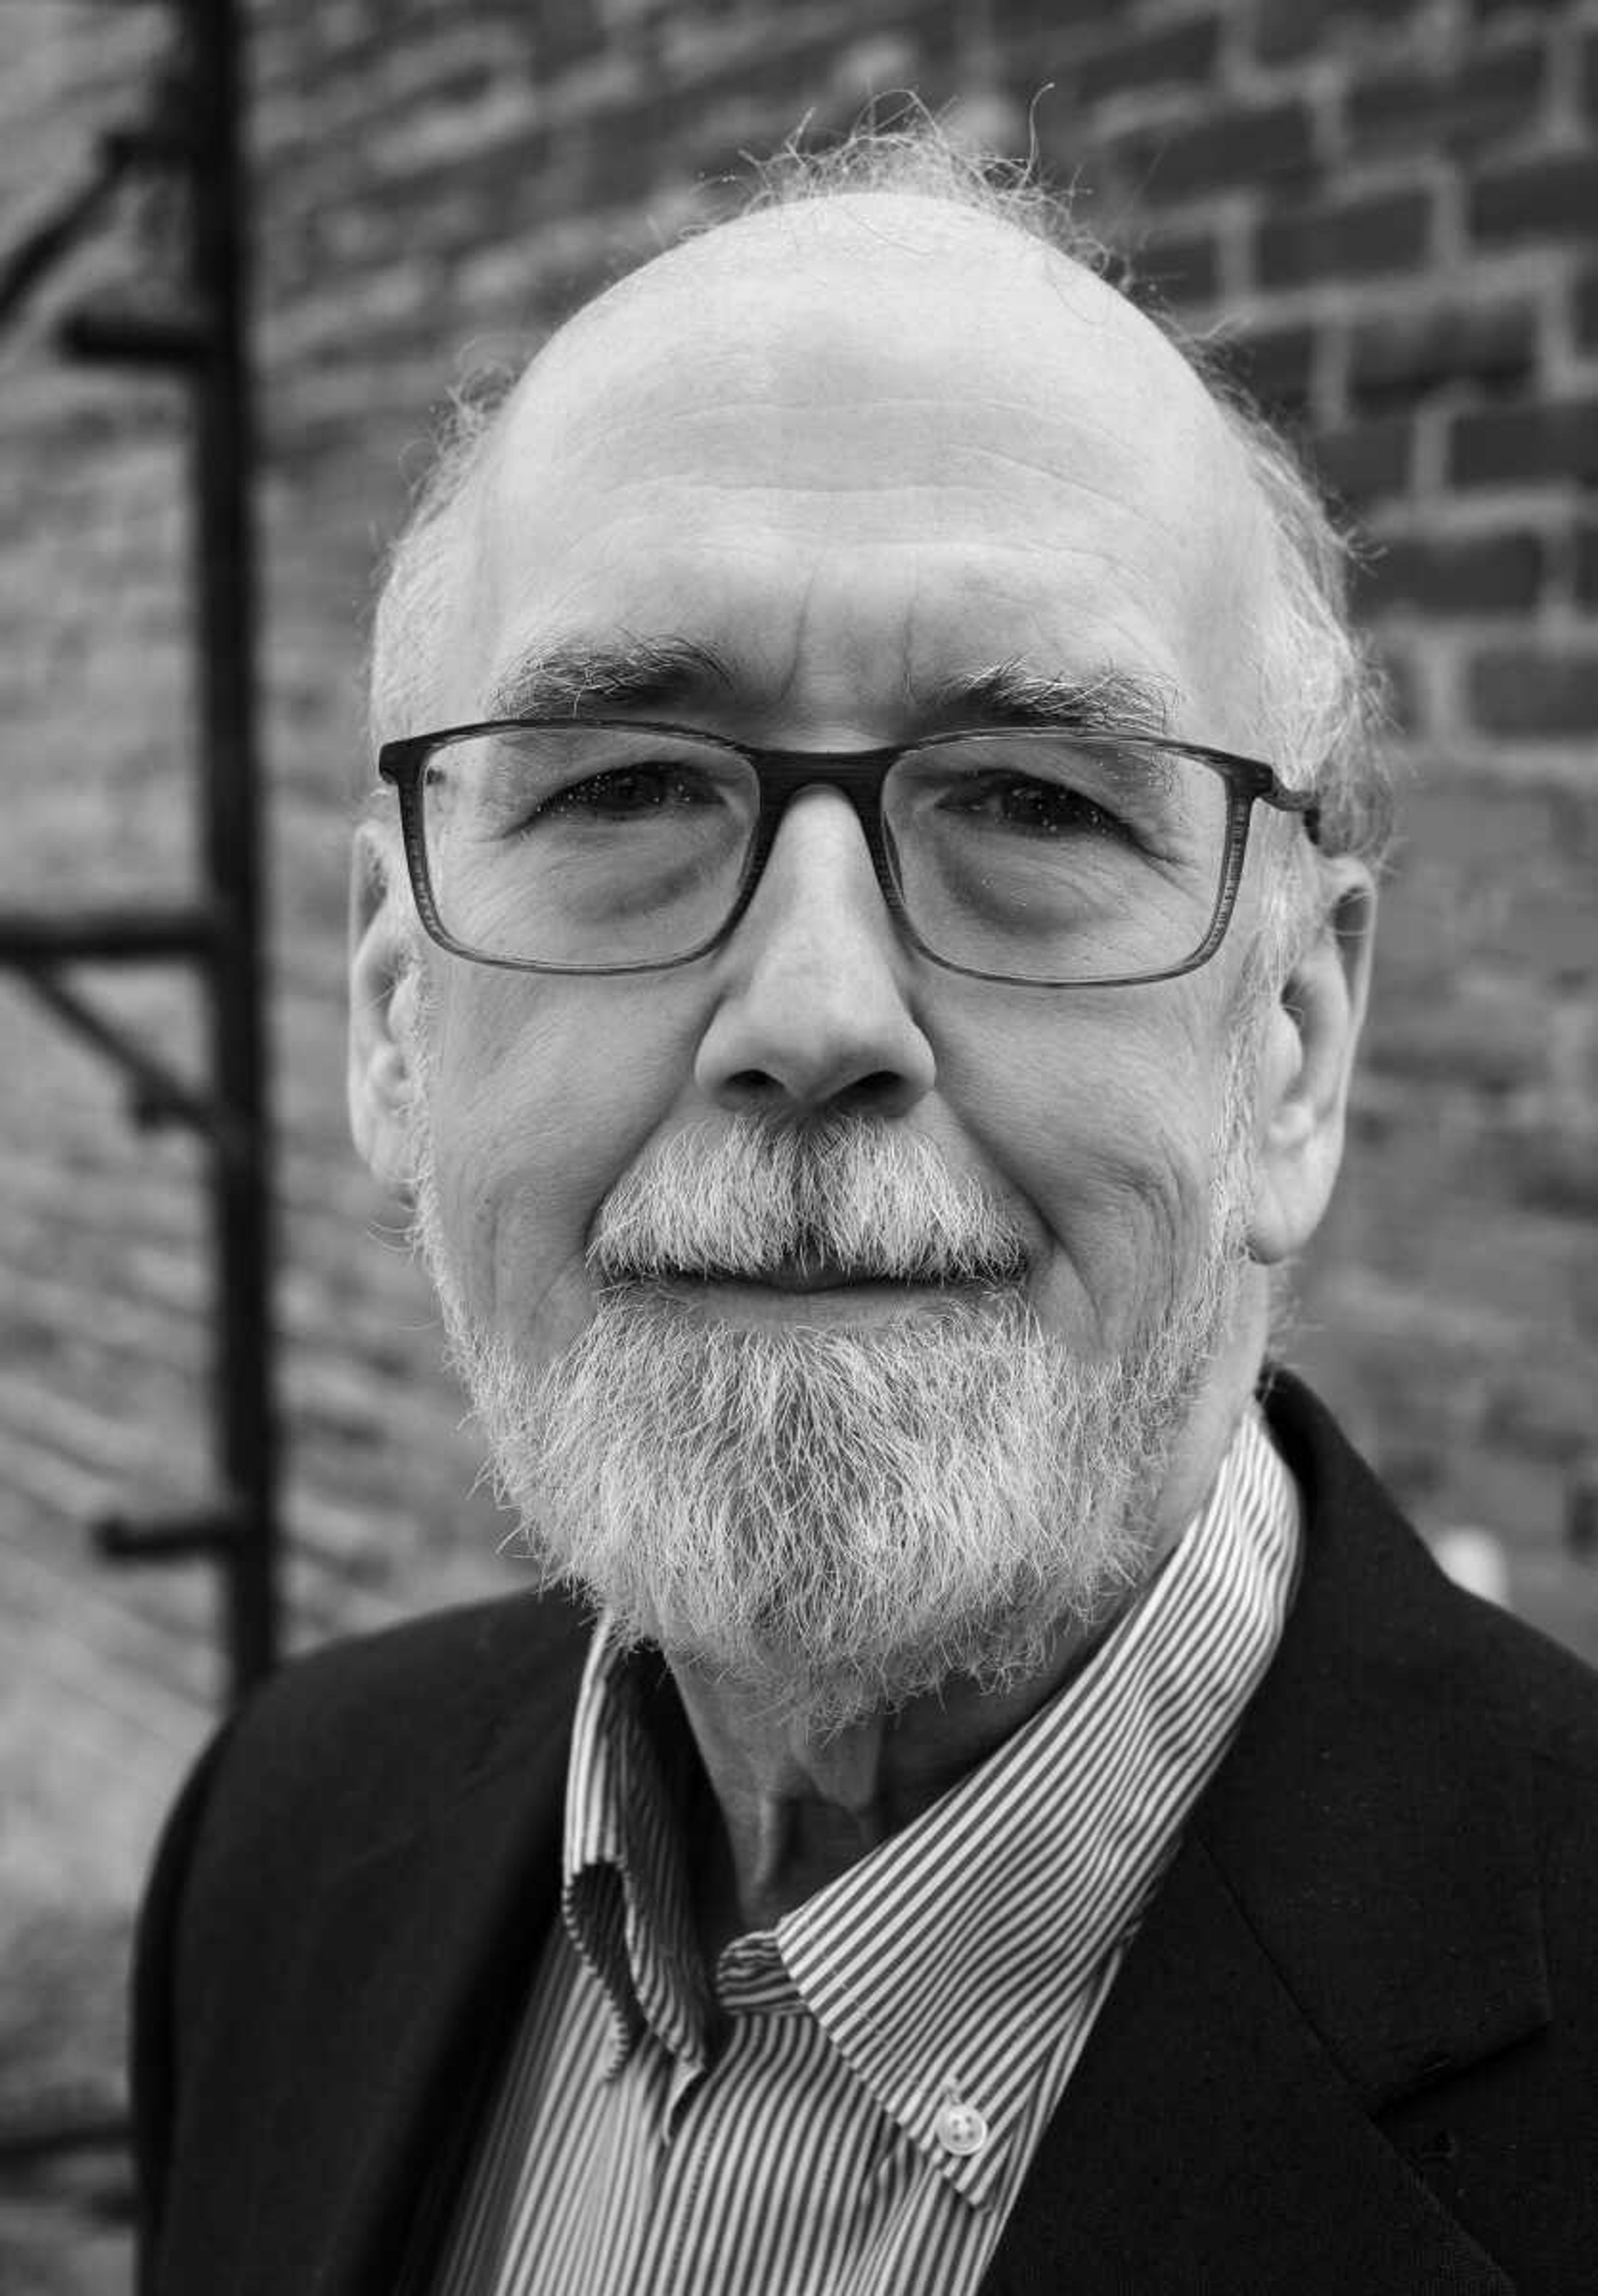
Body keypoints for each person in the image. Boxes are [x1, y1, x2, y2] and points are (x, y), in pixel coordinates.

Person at [130, 124, 1598, 2295]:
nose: (814, 1012)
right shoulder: (278, 1844)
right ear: (390, 1016)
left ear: (1294, 1037)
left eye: (1030, 800)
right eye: (624, 785)